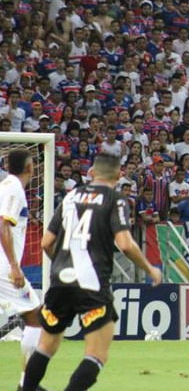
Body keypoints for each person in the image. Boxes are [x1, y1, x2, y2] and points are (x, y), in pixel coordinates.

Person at [23, 152, 163, 391]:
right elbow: (126, 243)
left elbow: (46, 242)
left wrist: (62, 265)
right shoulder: (115, 199)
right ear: (119, 175)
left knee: (46, 346)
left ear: (91, 173)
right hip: (92, 285)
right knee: (96, 354)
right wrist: (150, 268)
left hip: (59, 282)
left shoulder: (70, 196)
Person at [0, 150, 44, 391]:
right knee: (35, 317)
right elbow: (4, 224)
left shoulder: (4, 186)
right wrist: (15, 266)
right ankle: (27, 384)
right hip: (5, 269)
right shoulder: (14, 188)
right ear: (30, 167)